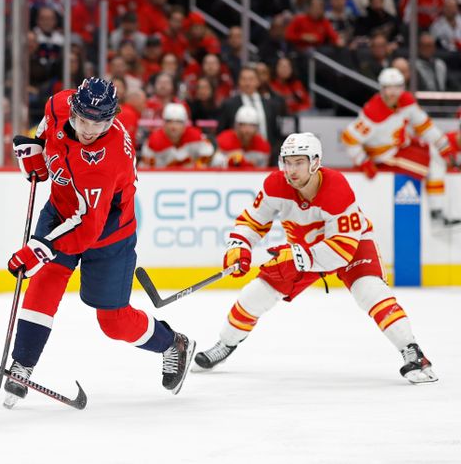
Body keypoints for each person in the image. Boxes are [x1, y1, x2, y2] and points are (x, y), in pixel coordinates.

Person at [2, 77, 196, 408]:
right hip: (61, 209)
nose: (90, 130)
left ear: (112, 119)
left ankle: (172, 344)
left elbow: (85, 229)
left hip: (108, 233)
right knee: (44, 284)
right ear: (72, 109)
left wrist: (39, 249)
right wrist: (35, 147)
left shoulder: (104, 163)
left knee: (113, 321)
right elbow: (46, 126)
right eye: (83, 121)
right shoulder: (58, 104)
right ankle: (22, 364)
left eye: (101, 123)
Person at [194, 132, 437, 385]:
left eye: (299, 162)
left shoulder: (337, 187)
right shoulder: (275, 185)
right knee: (255, 293)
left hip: (351, 244)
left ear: (314, 162)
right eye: (287, 162)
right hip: (304, 250)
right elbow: (251, 221)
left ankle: (413, 353)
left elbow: (340, 251)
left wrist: (296, 257)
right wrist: (239, 245)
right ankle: (225, 344)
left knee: (370, 291)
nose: (292, 170)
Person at [340, 68, 457, 228]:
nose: (392, 92)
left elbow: (424, 125)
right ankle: (437, 216)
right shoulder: (373, 112)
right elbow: (349, 139)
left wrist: (443, 145)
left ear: (403, 87)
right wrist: (364, 161)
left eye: (397, 87)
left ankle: (437, 212)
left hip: (402, 145)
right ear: (382, 88)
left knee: (437, 155)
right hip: (384, 155)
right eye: (388, 87)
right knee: (433, 164)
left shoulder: (407, 101)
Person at [140, 103, 214, 168]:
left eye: (178, 122)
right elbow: (147, 167)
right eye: (169, 121)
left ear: (185, 124)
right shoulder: (153, 142)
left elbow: (208, 154)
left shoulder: (196, 137)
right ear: (164, 123)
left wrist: (197, 167)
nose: (173, 126)